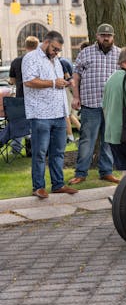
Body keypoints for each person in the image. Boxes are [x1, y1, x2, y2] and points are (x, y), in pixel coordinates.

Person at [22, 30, 78, 199]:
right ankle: (38, 186)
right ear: (46, 43)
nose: (56, 52)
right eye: (54, 48)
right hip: (40, 114)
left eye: (58, 50)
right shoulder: (31, 58)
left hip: (59, 113)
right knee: (40, 152)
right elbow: (29, 81)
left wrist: (64, 84)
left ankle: (58, 184)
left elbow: (58, 82)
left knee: (58, 152)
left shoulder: (56, 61)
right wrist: (54, 83)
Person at [69, 23, 120, 185]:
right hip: (90, 104)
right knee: (87, 140)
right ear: (97, 36)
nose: (106, 38)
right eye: (103, 35)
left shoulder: (120, 54)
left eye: (109, 35)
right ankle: (80, 173)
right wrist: (75, 97)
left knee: (108, 141)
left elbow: (125, 78)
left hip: (112, 106)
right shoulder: (85, 52)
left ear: (113, 37)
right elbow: (75, 77)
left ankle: (106, 171)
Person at [8, 36, 38, 155]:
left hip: (21, 96)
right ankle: (33, 148)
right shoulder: (39, 60)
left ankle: (16, 148)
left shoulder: (16, 61)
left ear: (25, 46)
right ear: (37, 46)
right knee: (35, 123)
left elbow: (12, 80)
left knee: (19, 122)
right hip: (36, 96)